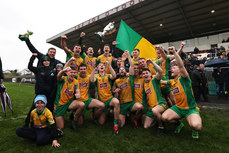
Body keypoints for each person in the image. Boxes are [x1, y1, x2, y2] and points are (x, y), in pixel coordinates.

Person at [161, 48, 202, 139]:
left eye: (174, 68)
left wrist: (175, 53)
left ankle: (194, 129)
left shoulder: (184, 78)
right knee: (164, 117)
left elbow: (181, 66)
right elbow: (161, 82)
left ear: (179, 71)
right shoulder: (172, 82)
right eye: (171, 68)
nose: (171, 69)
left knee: (196, 126)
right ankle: (179, 124)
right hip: (178, 108)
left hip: (190, 108)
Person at [25, 53, 57, 127]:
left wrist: (52, 93)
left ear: (49, 62)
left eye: (48, 61)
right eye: (44, 61)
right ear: (42, 62)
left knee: (50, 110)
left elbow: (54, 84)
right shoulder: (38, 70)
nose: (46, 62)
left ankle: (50, 126)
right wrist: (33, 57)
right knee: (33, 109)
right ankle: (27, 123)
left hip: (49, 95)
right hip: (40, 94)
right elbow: (29, 67)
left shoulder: (52, 71)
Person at [113, 51, 143, 128]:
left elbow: (132, 65)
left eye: (123, 69)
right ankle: (123, 116)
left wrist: (129, 56)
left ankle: (133, 117)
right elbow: (114, 93)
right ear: (118, 73)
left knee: (140, 107)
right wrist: (116, 92)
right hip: (122, 105)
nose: (122, 70)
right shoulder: (116, 81)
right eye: (120, 70)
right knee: (121, 125)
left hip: (131, 103)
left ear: (126, 71)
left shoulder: (130, 77)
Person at [90, 58, 120, 135]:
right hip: (101, 101)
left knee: (116, 102)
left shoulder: (108, 76)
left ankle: (115, 125)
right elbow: (92, 80)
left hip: (109, 99)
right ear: (98, 68)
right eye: (100, 65)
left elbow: (114, 76)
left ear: (105, 68)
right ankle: (95, 118)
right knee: (101, 123)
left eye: (103, 65)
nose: (101, 66)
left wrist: (109, 66)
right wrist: (93, 69)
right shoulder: (96, 76)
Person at [55, 58, 85, 132]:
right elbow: (58, 76)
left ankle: (74, 121)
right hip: (60, 104)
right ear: (67, 73)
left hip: (69, 103)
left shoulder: (75, 81)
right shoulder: (63, 79)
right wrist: (63, 70)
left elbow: (77, 90)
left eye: (74, 72)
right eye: (71, 72)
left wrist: (78, 94)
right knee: (61, 127)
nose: (73, 74)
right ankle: (54, 114)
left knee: (82, 104)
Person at [142, 60, 167, 136]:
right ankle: (159, 120)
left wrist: (152, 62)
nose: (145, 74)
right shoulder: (144, 84)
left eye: (146, 73)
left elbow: (160, 71)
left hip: (160, 105)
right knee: (146, 126)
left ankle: (161, 126)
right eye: (143, 74)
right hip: (151, 108)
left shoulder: (154, 80)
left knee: (155, 111)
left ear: (150, 74)